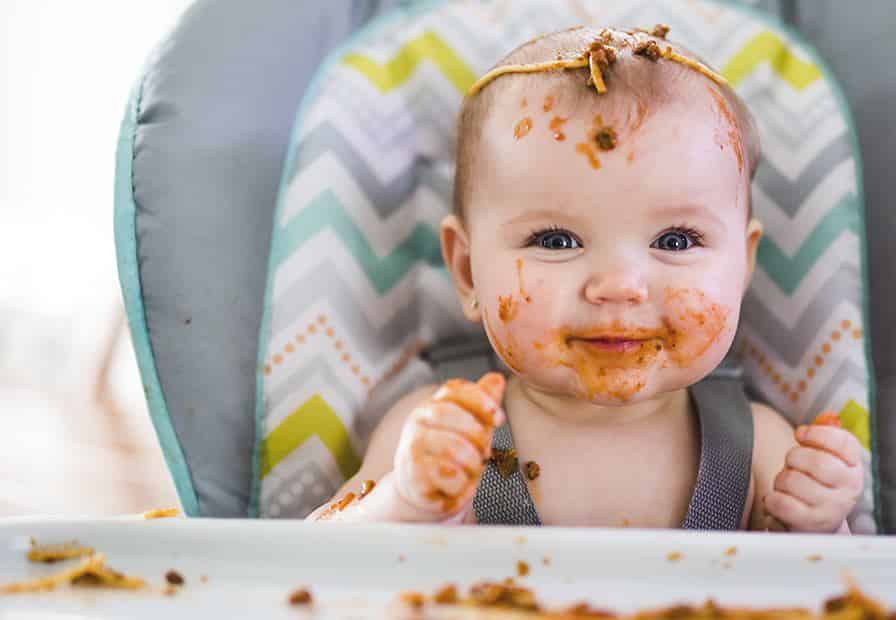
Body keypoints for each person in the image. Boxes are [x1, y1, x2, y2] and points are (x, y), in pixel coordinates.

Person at [308, 26, 863, 532]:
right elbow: (312, 566)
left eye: (674, 241)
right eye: (556, 241)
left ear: (743, 264)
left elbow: (835, 590)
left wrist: (817, 526)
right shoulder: (439, 435)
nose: (619, 285)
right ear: (466, 270)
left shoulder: (760, 446)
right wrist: (405, 504)